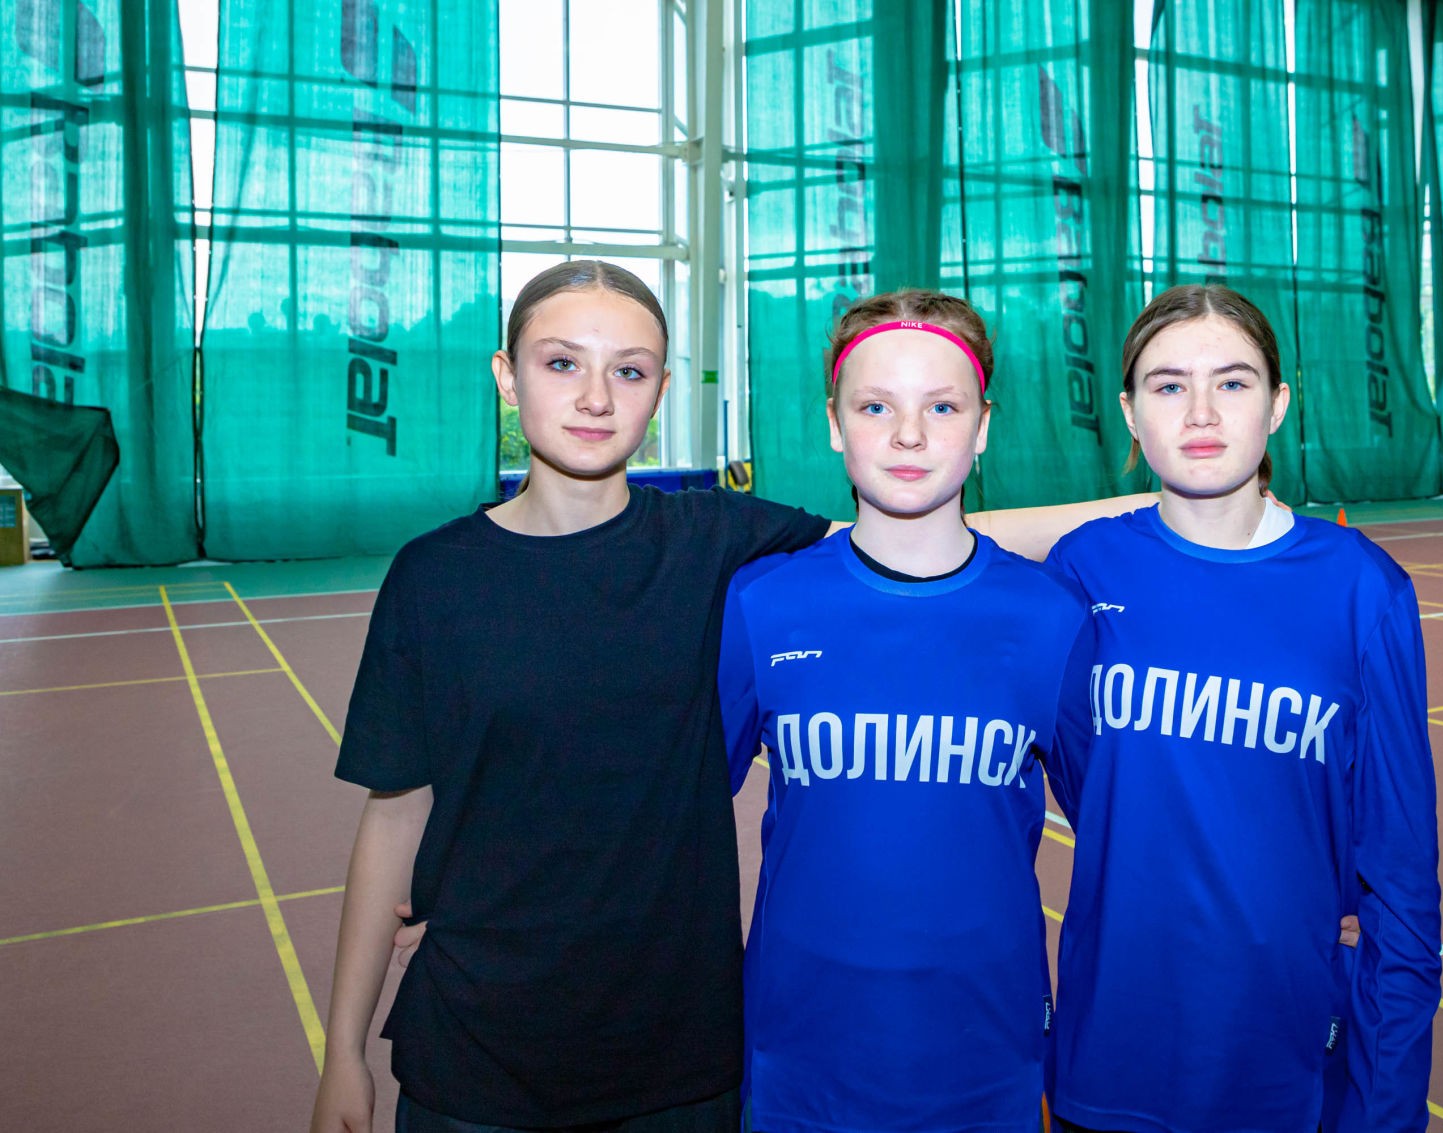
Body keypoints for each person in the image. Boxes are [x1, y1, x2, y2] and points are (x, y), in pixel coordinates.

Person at [309, 261, 1157, 1133]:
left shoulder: (716, 544)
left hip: (685, 1057)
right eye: (562, 362)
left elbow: (901, 535)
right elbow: (401, 810)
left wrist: (1174, 500)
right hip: (486, 1039)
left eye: (629, 370)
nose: (595, 396)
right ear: (506, 374)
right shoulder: (441, 577)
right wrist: (347, 1044)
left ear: (661, 389)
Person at [1043, 284, 1442, 1133]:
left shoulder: (1361, 587)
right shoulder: (1083, 570)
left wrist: (1388, 1109)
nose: (1201, 412)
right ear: (1130, 412)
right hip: (1110, 1057)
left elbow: (1402, 876)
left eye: (1232, 382)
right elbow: (1088, 784)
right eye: (1168, 385)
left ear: (1277, 404)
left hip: (1283, 1064)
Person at [718, 291, 1094, 1133]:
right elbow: (675, 815)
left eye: (943, 407)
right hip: (799, 1061)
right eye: (876, 406)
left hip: (985, 1060)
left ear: (984, 425)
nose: (910, 435)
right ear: (833, 422)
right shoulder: (763, 604)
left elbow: (1124, 831)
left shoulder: (1049, 617)